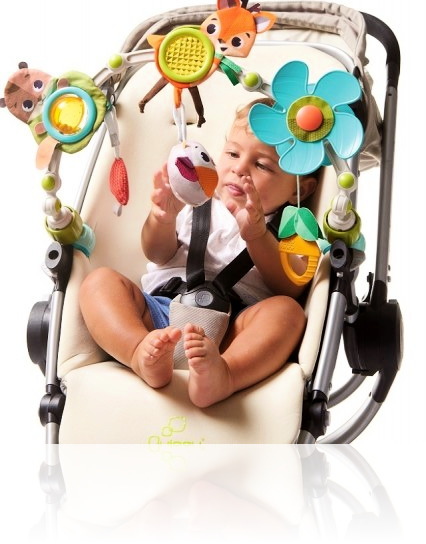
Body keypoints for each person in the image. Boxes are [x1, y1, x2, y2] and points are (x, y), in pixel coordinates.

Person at [79, 100, 318, 408]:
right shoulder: (195, 199)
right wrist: (162, 218)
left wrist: (258, 236)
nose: (239, 169)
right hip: (161, 312)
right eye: (232, 154)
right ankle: (139, 350)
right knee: (99, 282)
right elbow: (157, 253)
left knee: (287, 313)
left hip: (234, 331)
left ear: (300, 190)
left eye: (262, 165)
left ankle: (225, 375)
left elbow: (290, 286)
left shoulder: (292, 228)